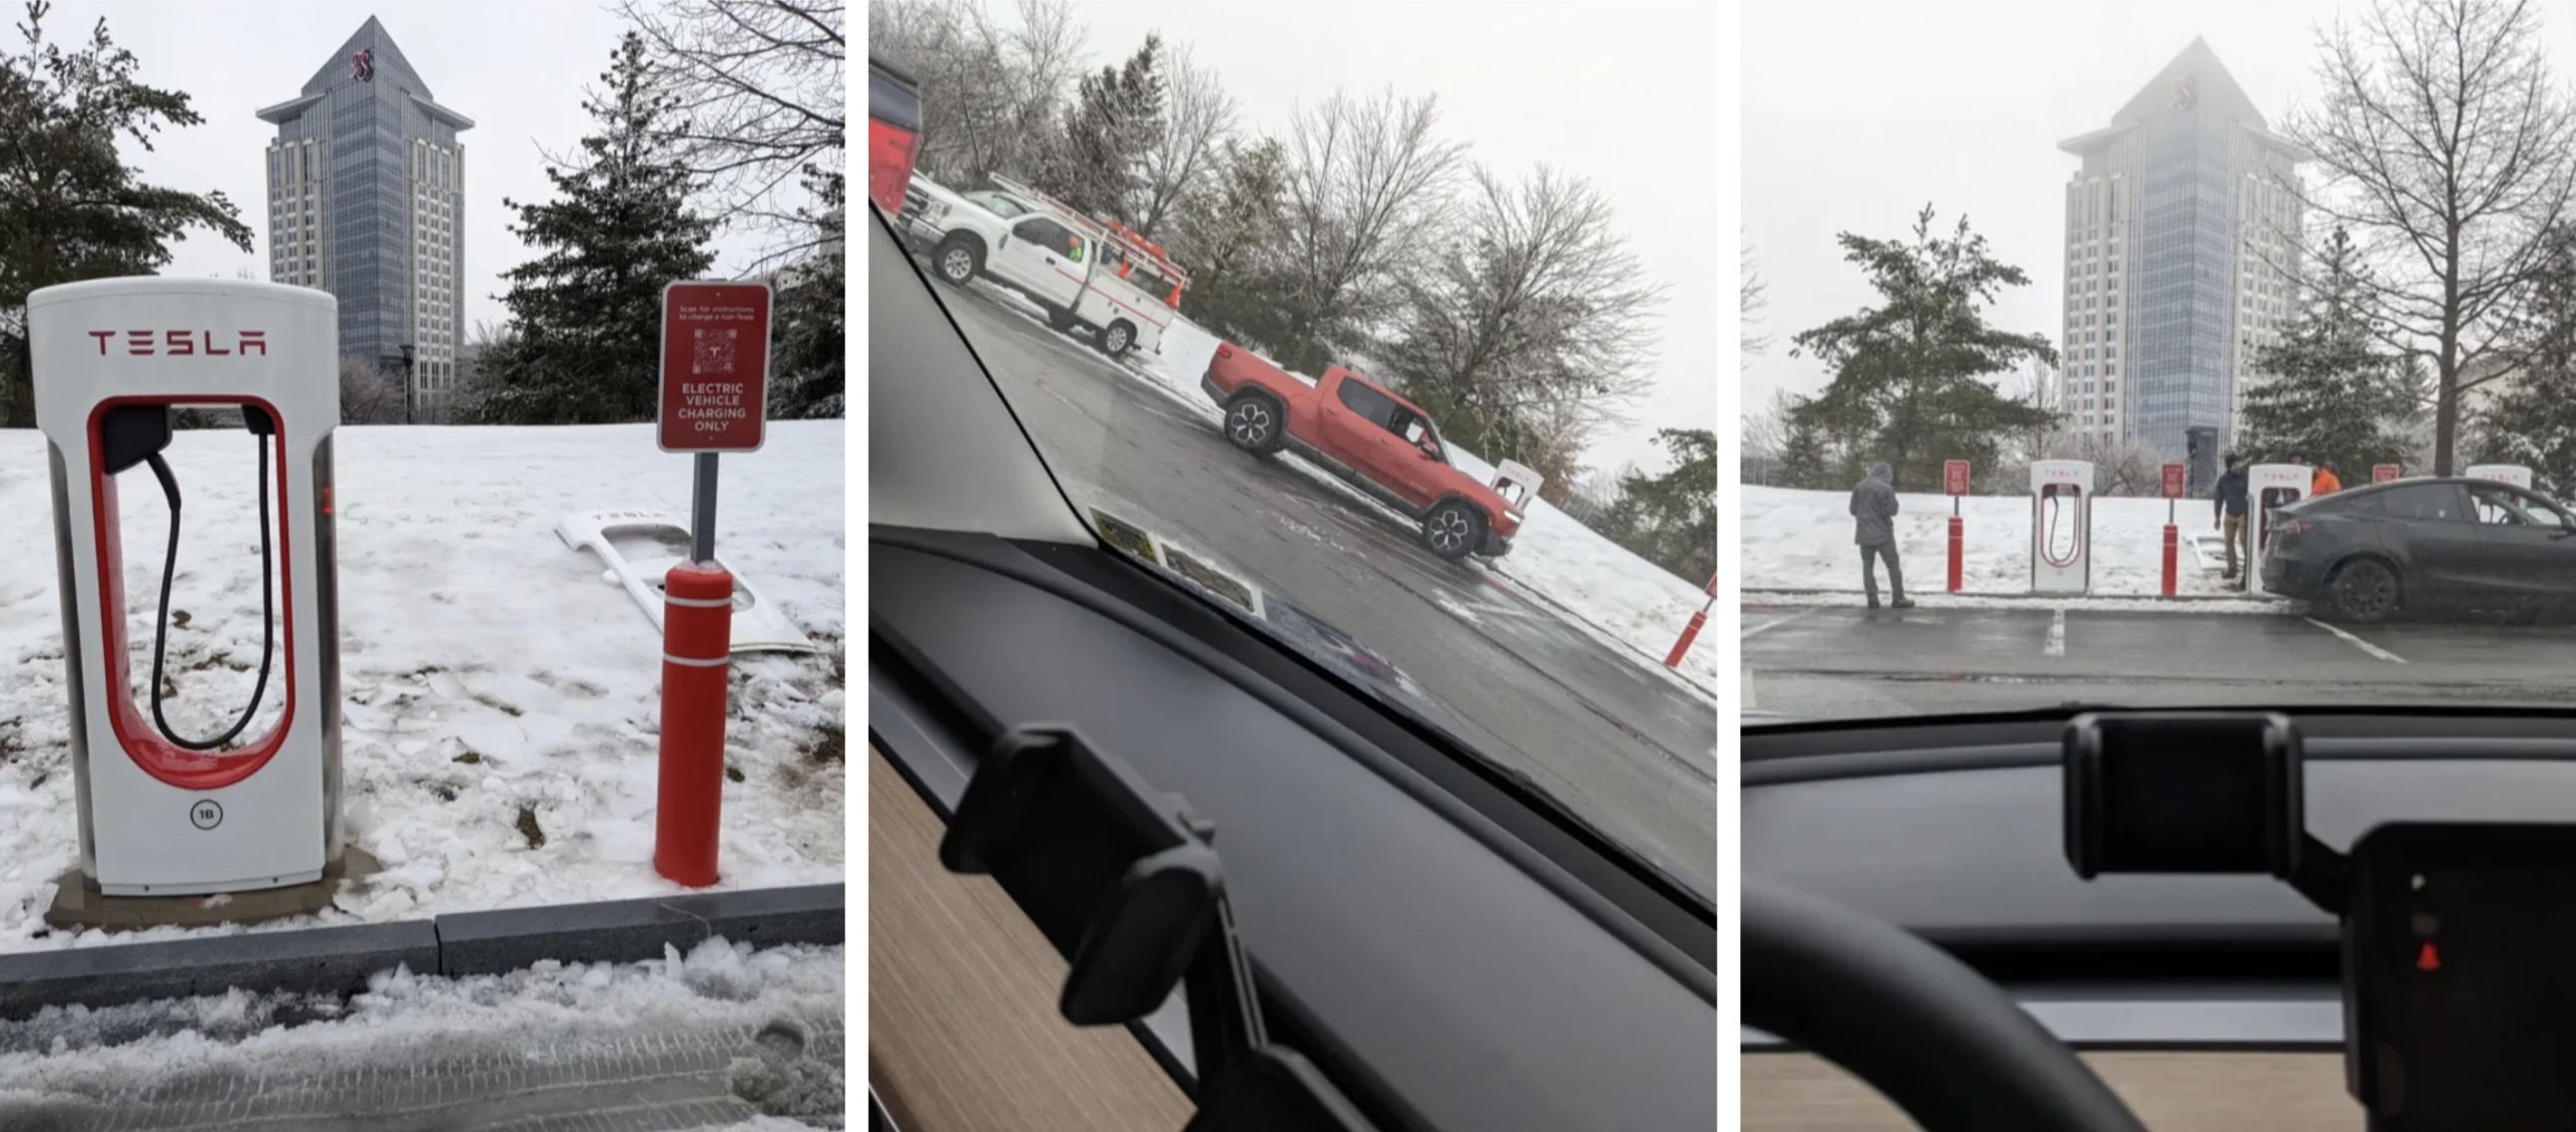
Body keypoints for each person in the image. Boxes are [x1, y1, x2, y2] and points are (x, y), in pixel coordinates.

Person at [1850, 461, 1911, 609]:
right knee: (1893, 565)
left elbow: (1852, 510)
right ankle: (1898, 597)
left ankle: (1872, 598)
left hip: (1864, 534)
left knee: (1868, 566)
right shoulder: (1886, 488)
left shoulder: (1859, 487)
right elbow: (1893, 510)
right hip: (1883, 534)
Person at [2214, 451, 2251, 581]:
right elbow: (2218, 498)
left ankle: (2248, 569)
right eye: (2234, 464)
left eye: (2238, 463)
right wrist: (2217, 517)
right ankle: (2231, 568)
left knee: (2243, 540)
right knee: (2228, 542)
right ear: (2229, 466)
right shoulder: (2223, 480)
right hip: (2229, 514)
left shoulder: (2246, 478)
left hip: (2243, 515)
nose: (2237, 466)